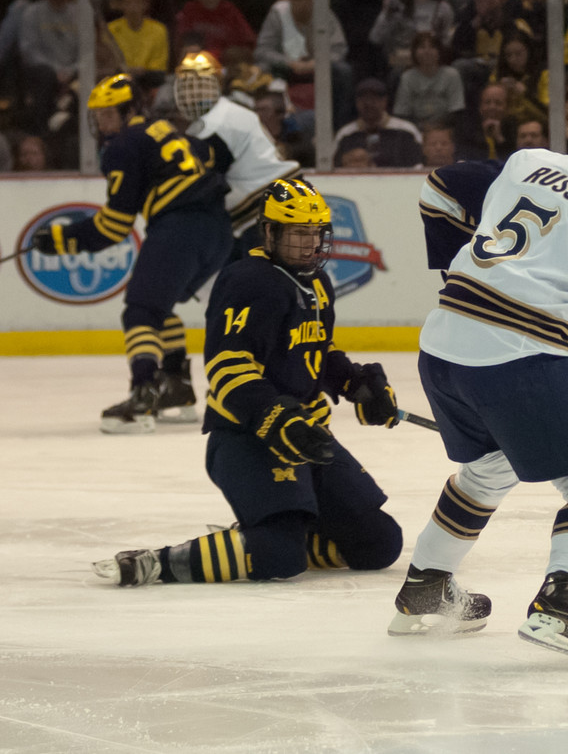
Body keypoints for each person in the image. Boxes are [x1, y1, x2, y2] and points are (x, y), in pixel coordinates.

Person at [390, 91, 568, 666]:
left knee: (491, 465)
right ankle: (562, 600)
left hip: (441, 345)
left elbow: (440, 186)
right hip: (515, 357)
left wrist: (460, 273)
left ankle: (425, 585)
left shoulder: (527, 162)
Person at [91, 178, 404, 586]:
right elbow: (227, 367)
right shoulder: (248, 280)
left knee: (379, 543)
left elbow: (311, 352)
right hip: (246, 438)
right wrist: (278, 418)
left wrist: (356, 384)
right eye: (297, 235)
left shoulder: (317, 283)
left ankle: (256, 539)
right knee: (280, 554)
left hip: (306, 434)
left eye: (316, 234)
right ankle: (157, 563)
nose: (310, 245)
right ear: (269, 233)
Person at [30, 73, 233, 433]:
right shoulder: (163, 129)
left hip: (181, 227)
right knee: (159, 307)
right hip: (217, 230)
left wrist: (61, 240)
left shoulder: (123, 146)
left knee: (140, 310)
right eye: (98, 116)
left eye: (108, 114)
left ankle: (143, 394)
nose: (102, 123)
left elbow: (114, 226)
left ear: (130, 110)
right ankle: (176, 387)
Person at [173, 50, 302, 260]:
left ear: (219, 85)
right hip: (258, 213)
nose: (193, 94)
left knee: (265, 284)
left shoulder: (223, 121)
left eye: (201, 86)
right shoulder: (210, 121)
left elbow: (204, 181)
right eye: (187, 87)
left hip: (275, 209)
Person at [254, 0, 354, 130]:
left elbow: (339, 49)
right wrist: (288, 62)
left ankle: (339, 127)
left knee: (343, 71)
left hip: (318, 69)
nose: (303, 3)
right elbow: (263, 50)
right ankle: (274, 126)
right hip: (285, 70)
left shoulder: (324, 13)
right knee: (261, 69)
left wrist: (317, 63)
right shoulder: (278, 13)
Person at [17, 0, 77, 136]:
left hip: (74, 73)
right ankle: (41, 134)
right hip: (43, 74)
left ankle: (81, 133)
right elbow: (28, 51)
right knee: (45, 75)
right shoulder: (32, 13)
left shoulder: (80, 14)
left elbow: (88, 52)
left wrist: (71, 70)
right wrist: (56, 70)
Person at [332, 77, 424, 167]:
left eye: (374, 99)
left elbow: (418, 165)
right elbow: (334, 166)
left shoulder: (406, 130)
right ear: (356, 102)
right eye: (364, 99)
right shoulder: (345, 134)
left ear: (385, 101)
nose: (368, 103)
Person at [392, 31, 466, 130]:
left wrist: (439, 126)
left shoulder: (452, 75)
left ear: (440, 51)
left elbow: (457, 110)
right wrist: (420, 127)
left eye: (432, 47)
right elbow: (402, 113)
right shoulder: (407, 77)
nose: (427, 51)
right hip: (415, 129)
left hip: (447, 129)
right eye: (422, 47)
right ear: (414, 52)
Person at [174, 0, 256, 64]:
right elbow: (182, 36)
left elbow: (248, 40)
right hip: (198, 59)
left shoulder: (230, 11)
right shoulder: (190, 10)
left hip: (225, 61)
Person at [107, 0, 170, 87]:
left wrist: (141, 72)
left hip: (148, 82)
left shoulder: (158, 30)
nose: (133, 7)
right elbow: (110, 63)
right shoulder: (111, 30)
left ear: (145, 4)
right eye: (128, 2)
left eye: (136, 2)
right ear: (122, 5)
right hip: (118, 81)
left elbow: (159, 68)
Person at [453, 80, 517, 160]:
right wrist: (483, 137)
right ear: (480, 107)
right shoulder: (467, 129)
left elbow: (514, 160)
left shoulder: (514, 129)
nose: (492, 107)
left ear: (507, 107)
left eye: (498, 103)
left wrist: (499, 139)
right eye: (487, 102)